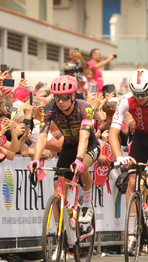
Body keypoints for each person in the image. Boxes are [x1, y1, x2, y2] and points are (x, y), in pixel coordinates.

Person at [108, 69, 148, 253]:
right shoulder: (125, 100)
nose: (141, 98)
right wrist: (119, 157)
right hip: (142, 137)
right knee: (132, 181)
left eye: (144, 94)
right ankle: (130, 234)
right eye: (137, 94)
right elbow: (113, 132)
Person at [28, 76, 100, 228]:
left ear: (73, 96)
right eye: (57, 97)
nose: (60, 101)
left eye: (64, 97)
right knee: (58, 191)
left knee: (84, 167)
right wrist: (35, 158)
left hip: (88, 145)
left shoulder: (84, 108)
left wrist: (79, 159)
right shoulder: (50, 109)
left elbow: (84, 137)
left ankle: (86, 202)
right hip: (68, 146)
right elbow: (42, 135)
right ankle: (60, 235)